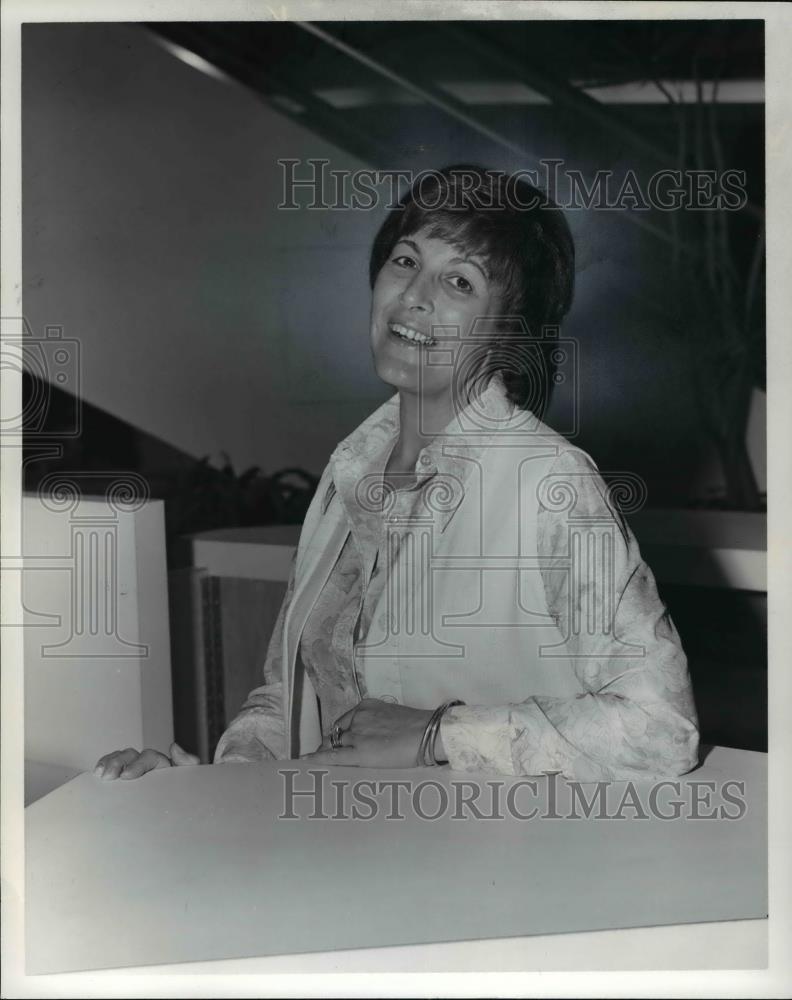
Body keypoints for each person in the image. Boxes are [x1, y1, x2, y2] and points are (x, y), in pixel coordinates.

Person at [95, 165, 699, 784]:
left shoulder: (550, 482)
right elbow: (286, 701)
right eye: (406, 261)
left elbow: (661, 729)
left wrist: (440, 734)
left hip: (496, 865)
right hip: (348, 853)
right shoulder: (347, 475)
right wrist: (203, 785)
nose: (415, 295)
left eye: (459, 281)